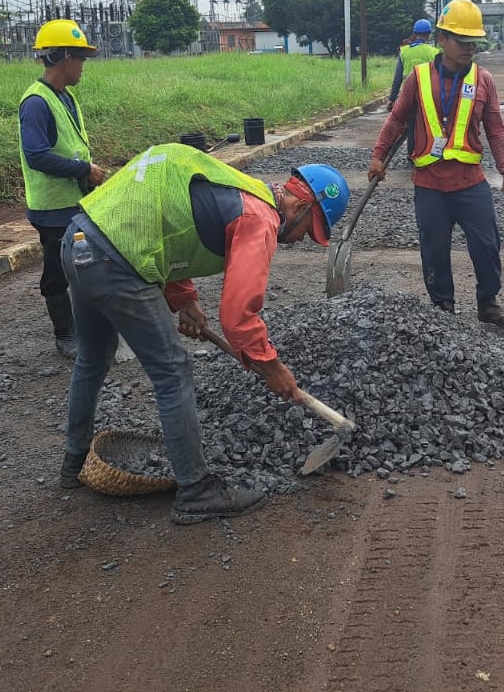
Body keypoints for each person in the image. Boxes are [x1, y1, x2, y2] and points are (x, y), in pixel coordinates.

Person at [59, 143, 350, 524]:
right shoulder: (259, 217)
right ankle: (196, 491)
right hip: (117, 261)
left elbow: (165, 217)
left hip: (79, 241)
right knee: (173, 371)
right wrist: (271, 366)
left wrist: (185, 300)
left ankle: (74, 461)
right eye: (308, 232)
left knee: (94, 356)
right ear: (301, 206)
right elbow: (238, 316)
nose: (300, 241)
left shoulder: (238, 187)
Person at [367, 0, 504, 329]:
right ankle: (443, 308)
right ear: (442, 40)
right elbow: (395, 121)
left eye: (473, 42)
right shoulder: (418, 79)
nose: (469, 48)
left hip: (470, 183)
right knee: (434, 249)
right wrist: (378, 155)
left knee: (486, 244)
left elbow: (496, 129)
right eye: (462, 41)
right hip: (430, 186)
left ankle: (488, 303)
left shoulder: (483, 80)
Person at [19, 19, 107, 357]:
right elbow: (37, 155)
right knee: (57, 269)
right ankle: (65, 333)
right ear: (66, 58)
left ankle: (88, 325)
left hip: (74, 201)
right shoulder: (36, 103)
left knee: (84, 262)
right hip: (52, 207)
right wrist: (83, 169)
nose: (84, 67)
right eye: (81, 59)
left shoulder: (65, 97)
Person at [388, 19, 440, 108]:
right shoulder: (434, 52)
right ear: (428, 34)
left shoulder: (404, 52)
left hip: (407, 94)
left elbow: (398, 78)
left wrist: (392, 98)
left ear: (414, 34)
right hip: (427, 96)